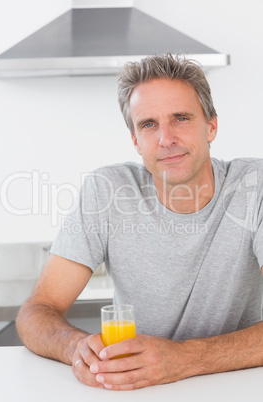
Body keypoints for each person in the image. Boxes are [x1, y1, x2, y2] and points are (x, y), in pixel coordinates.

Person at [16, 53, 263, 391]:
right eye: (148, 124)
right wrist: (74, 346)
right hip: (134, 391)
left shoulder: (255, 187)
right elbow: (36, 312)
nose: (166, 139)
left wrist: (183, 358)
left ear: (211, 126)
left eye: (180, 118)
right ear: (135, 140)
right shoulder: (107, 191)